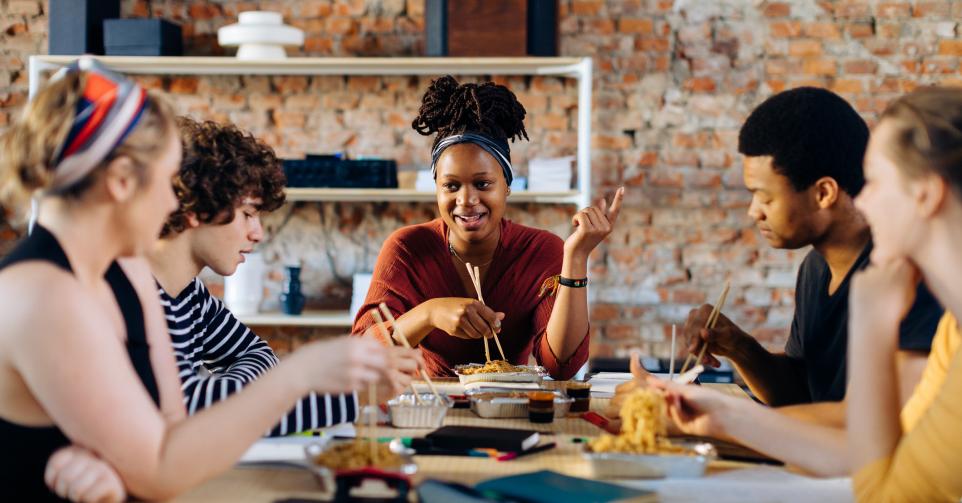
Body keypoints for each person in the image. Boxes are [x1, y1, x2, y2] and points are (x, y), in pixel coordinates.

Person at [0, 59, 415, 501]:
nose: (173, 203)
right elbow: (162, 467)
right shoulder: (43, 297)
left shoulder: (132, 277)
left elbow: (174, 434)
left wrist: (123, 471)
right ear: (121, 181)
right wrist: (298, 374)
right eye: (164, 181)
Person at [613, 87, 943, 477]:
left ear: (823, 192)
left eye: (764, 198)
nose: (754, 212)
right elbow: (801, 395)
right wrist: (738, 346)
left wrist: (706, 414)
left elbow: (862, 424)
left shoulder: (913, 278)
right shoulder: (816, 270)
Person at [352, 75, 623, 379]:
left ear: (506, 186)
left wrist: (575, 259)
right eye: (451, 186)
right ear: (437, 189)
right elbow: (360, 355)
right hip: (431, 414)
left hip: (514, 413)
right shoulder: (407, 249)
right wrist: (428, 315)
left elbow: (560, 366)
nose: (466, 200)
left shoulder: (541, 251)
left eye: (483, 184)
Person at [150, 117, 369, 435]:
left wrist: (228, 396)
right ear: (197, 207)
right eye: (248, 214)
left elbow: (258, 355)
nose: (257, 233)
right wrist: (351, 397)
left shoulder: (190, 296)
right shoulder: (135, 296)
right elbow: (188, 415)